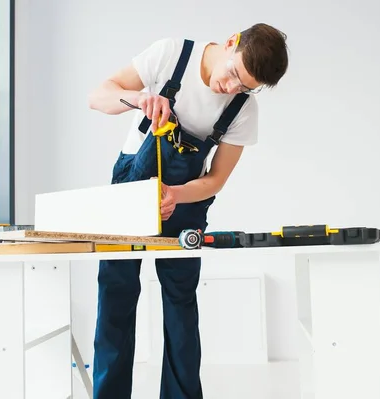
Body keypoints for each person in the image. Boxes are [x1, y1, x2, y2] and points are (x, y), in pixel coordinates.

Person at [88, 23, 289, 399]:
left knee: (180, 303)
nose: (230, 89)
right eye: (232, 74)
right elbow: (98, 96)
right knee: (116, 295)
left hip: (185, 202)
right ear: (231, 43)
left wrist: (176, 195)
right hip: (128, 190)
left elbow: (215, 179)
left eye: (244, 87)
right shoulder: (171, 53)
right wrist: (140, 99)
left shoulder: (244, 110)